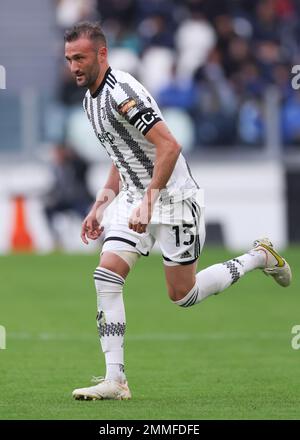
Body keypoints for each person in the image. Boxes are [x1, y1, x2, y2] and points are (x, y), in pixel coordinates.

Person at [64, 21, 292, 401]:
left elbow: (170, 146)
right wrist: (101, 206)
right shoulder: (90, 100)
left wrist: (150, 201)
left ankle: (258, 257)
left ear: (101, 55)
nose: (74, 66)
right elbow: (120, 156)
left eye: (81, 58)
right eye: (70, 58)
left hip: (173, 198)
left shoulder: (121, 94)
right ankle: (115, 379)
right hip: (137, 197)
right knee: (106, 276)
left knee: (182, 295)